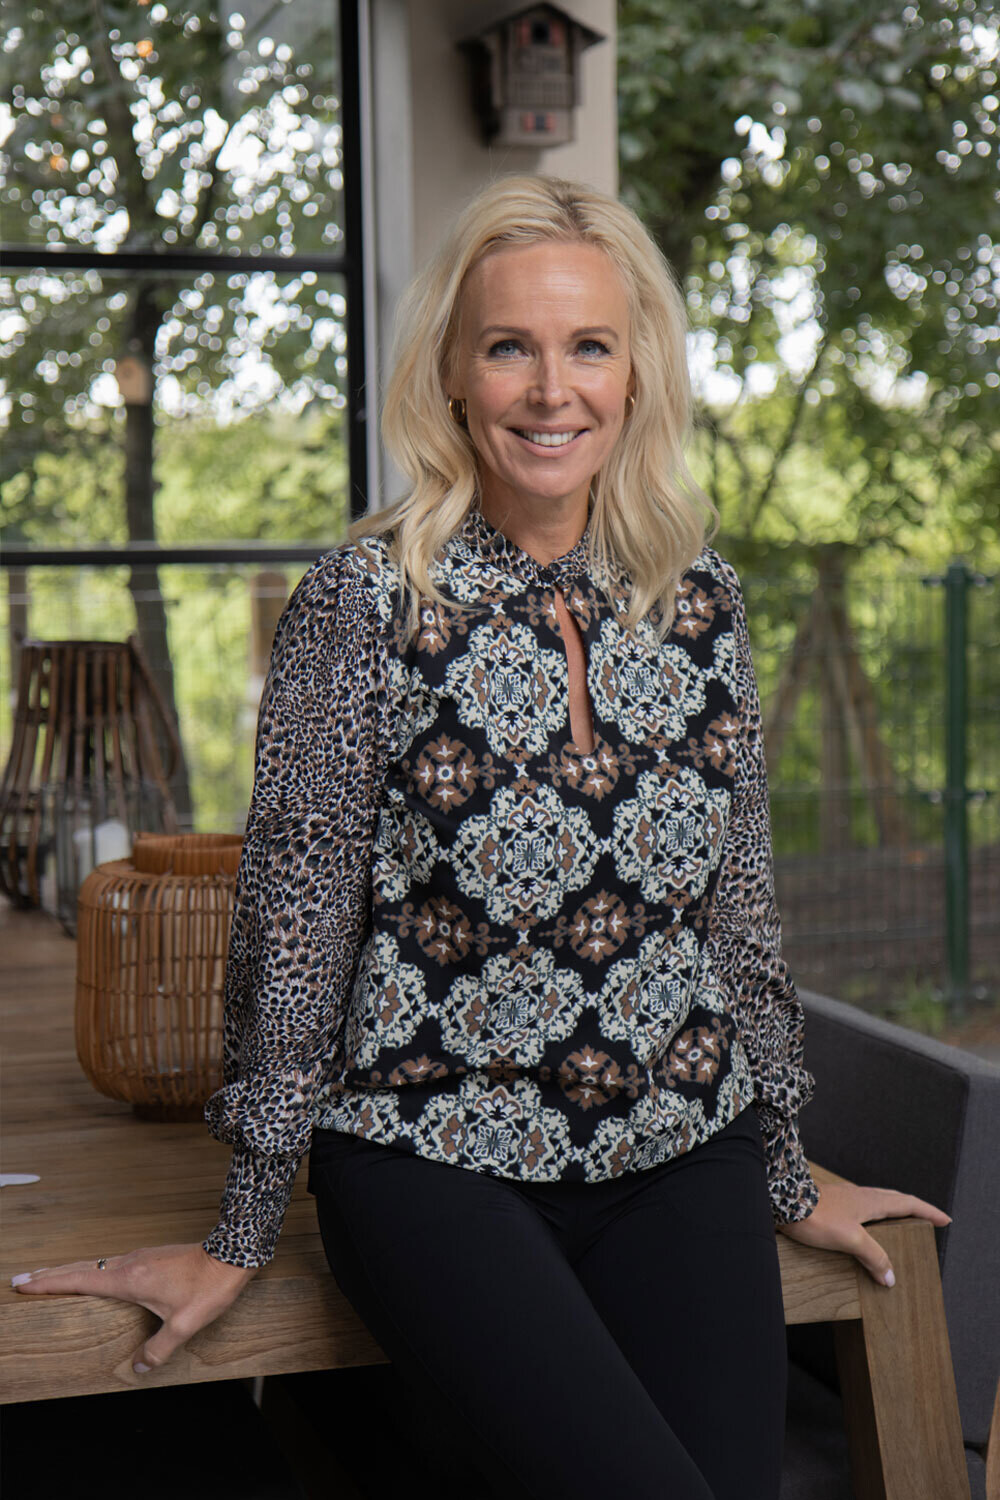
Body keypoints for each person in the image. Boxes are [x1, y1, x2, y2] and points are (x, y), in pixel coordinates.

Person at [12, 175, 951, 1500]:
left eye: (590, 347)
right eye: (511, 346)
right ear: (451, 373)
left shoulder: (701, 602)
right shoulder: (362, 601)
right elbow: (295, 927)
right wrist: (242, 1228)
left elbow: (737, 913)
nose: (552, 390)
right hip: (433, 1159)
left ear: (637, 373)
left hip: (682, 1145)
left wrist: (790, 1174)